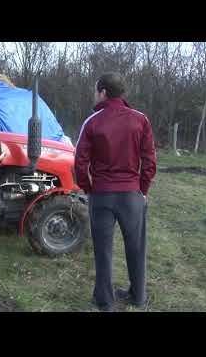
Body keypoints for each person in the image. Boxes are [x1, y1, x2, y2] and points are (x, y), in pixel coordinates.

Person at [74, 72, 157, 312]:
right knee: (136, 246)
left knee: (103, 250)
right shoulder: (140, 120)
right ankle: (138, 297)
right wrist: (142, 190)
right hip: (131, 195)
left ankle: (105, 301)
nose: (94, 94)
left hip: (102, 195)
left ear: (103, 92)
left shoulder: (92, 122)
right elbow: (149, 160)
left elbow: (80, 162)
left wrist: (89, 188)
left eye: (95, 90)